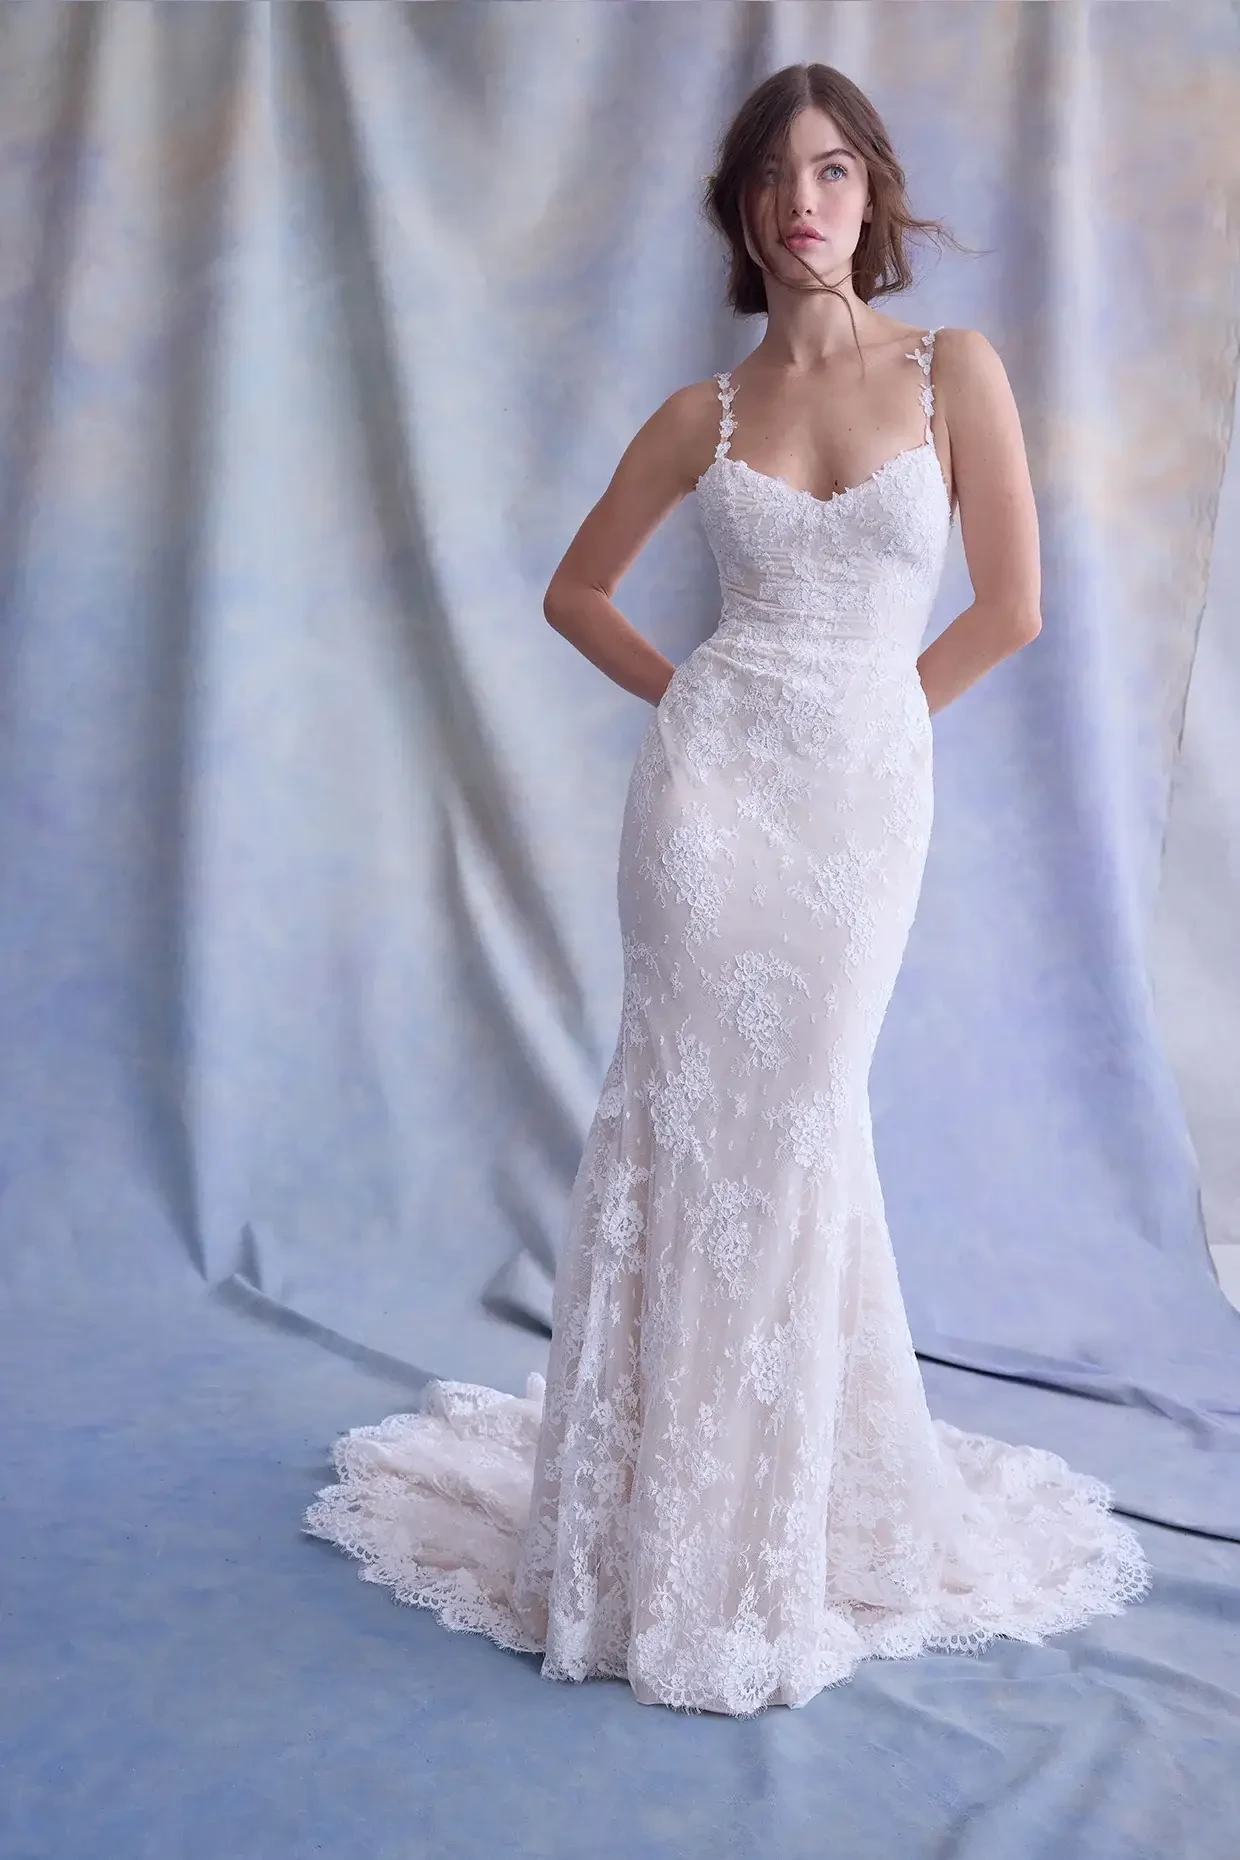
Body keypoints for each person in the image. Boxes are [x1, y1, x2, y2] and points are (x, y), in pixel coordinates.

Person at [304, 62, 1149, 1717]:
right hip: (706, 809)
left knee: (804, 1115)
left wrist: (876, 724)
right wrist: (695, 698)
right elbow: (575, 592)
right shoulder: (706, 416)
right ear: (741, 219)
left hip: (858, 805)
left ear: (872, 197)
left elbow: (1016, 606)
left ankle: (775, 1514)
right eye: (774, 180)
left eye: (833, 172)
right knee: (681, 1120)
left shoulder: (949, 371)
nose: (804, 203)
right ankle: (648, 1531)